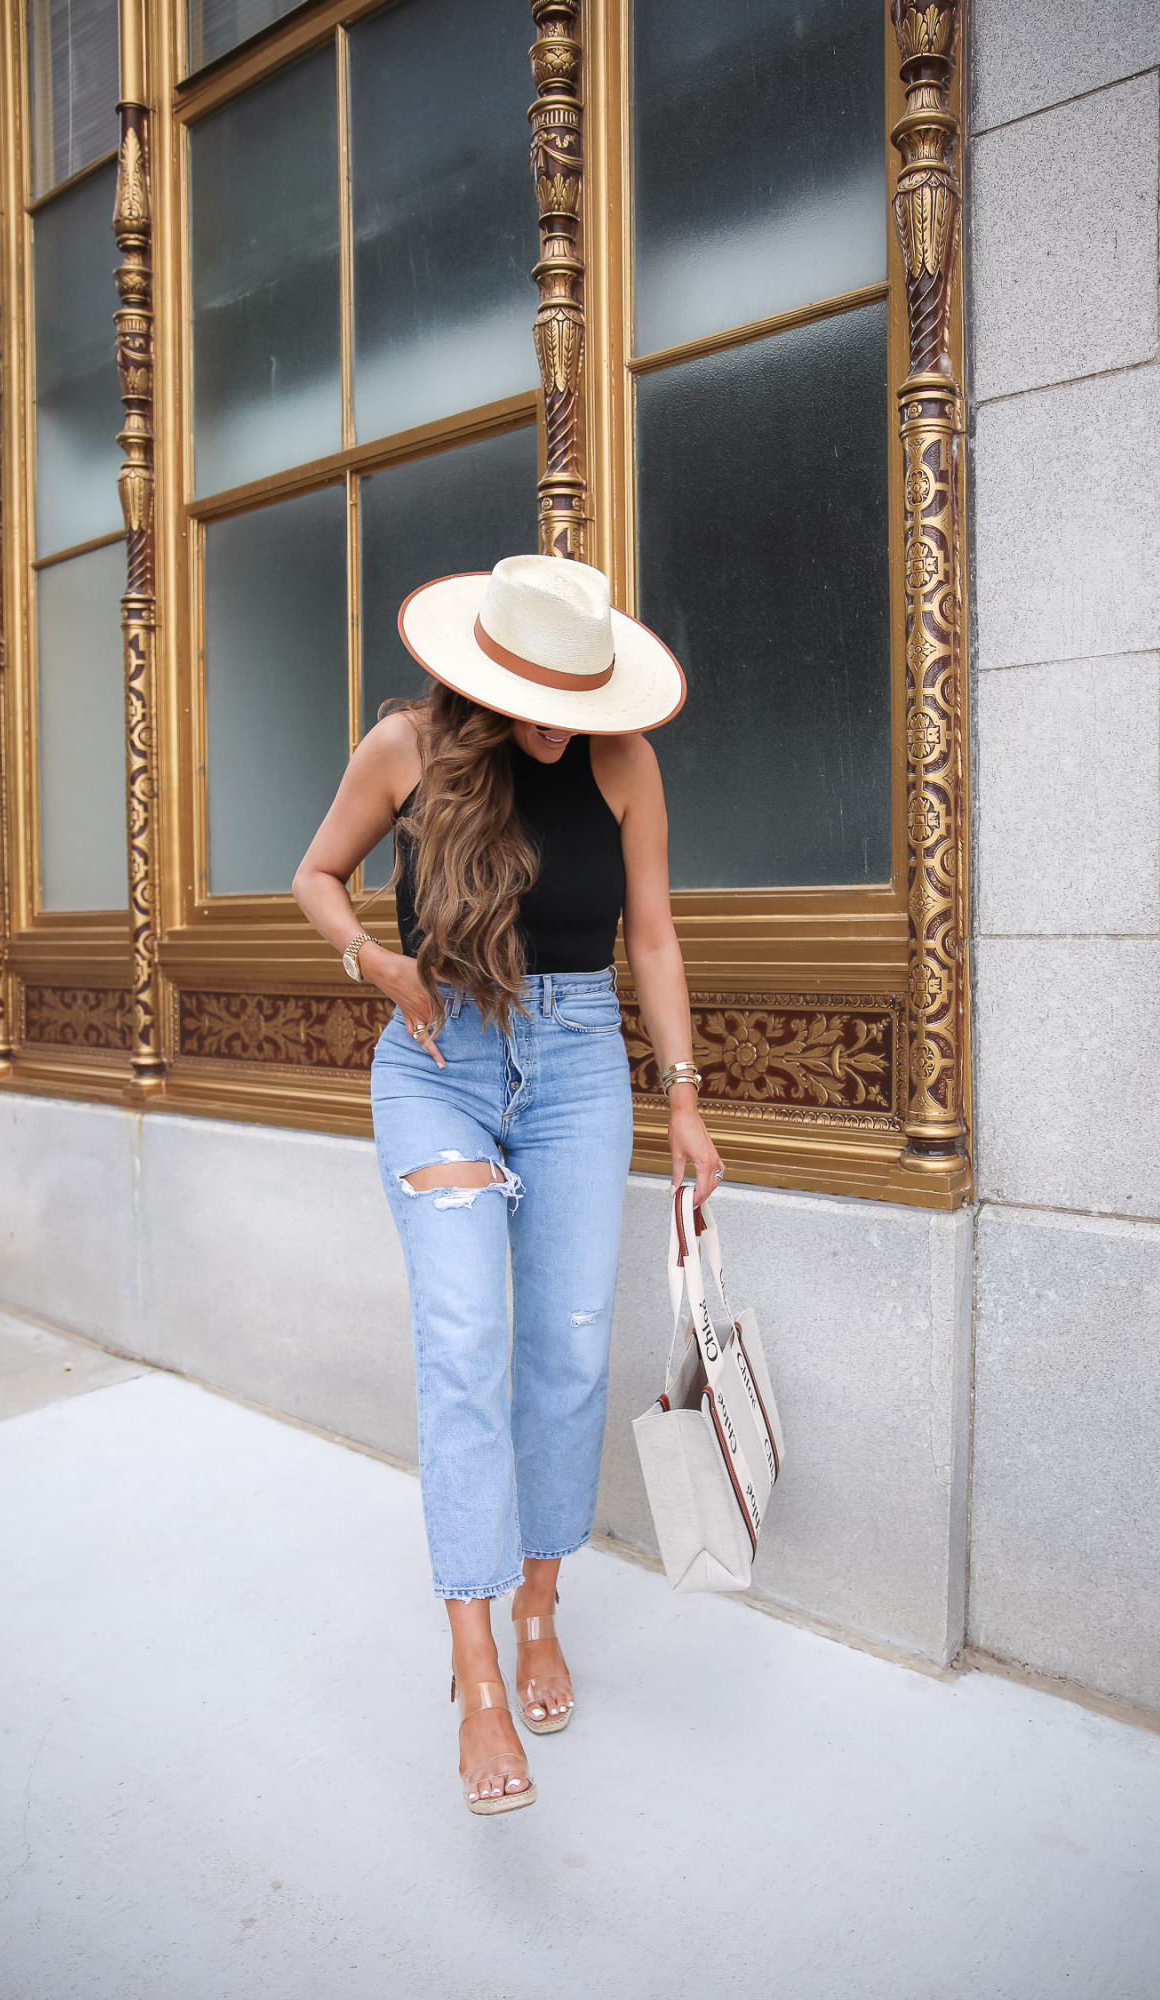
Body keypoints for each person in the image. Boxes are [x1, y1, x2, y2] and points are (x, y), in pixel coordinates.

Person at [293, 552, 723, 1816]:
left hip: (584, 1062)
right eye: (534, 692)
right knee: (467, 1341)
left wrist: (685, 1095)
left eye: (574, 694)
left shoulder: (624, 765)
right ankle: (476, 1670)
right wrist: (380, 963)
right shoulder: (407, 749)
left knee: (570, 1353)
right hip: (440, 1062)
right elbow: (314, 878)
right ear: (483, 671)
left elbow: (649, 930)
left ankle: (542, 1601)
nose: (556, 717)